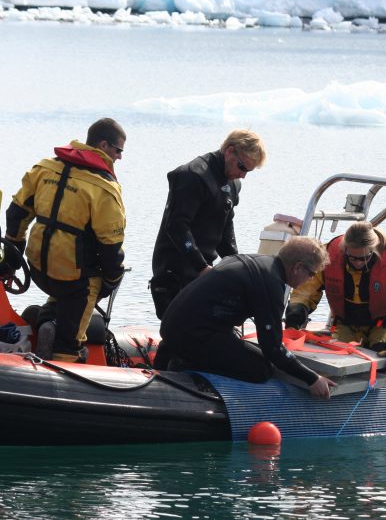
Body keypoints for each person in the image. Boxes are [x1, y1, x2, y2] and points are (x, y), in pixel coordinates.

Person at [3, 118, 127, 362]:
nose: (120, 157)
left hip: (38, 270)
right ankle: (65, 351)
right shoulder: (103, 188)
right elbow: (111, 245)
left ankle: (49, 319)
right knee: (87, 293)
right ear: (103, 145)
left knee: (66, 288)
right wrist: (112, 279)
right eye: (118, 150)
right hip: (75, 278)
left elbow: (16, 214)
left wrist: (12, 259)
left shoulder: (44, 168)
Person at [154, 236, 337, 399]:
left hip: (173, 326)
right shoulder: (271, 284)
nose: (310, 280)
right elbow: (272, 349)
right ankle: (187, 366)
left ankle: (177, 353)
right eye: (312, 274)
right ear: (298, 267)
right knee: (261, 369)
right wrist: (312, 378)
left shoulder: (255, 262)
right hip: (193, 335)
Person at [150, 129, 266, 319]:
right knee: (182, 332)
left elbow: (225, 230)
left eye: (249, 171)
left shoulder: (233, 184)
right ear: (229, 151)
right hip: (175, 271)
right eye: (242, 167)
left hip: (203, 271)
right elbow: (177, 226)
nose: (243, 175)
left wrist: (238, 266)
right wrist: (201, 266)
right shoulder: (193, 175)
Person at [285, 221, 386, 373]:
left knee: (383, 362)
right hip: (345, 324)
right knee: (333, 366)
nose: (358, 263)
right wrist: (294, 319)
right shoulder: (329, 255)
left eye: (363, 258)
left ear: (373, 251)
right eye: (353, 258)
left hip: (381, 326)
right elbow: (304, 292)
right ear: (345, 249)